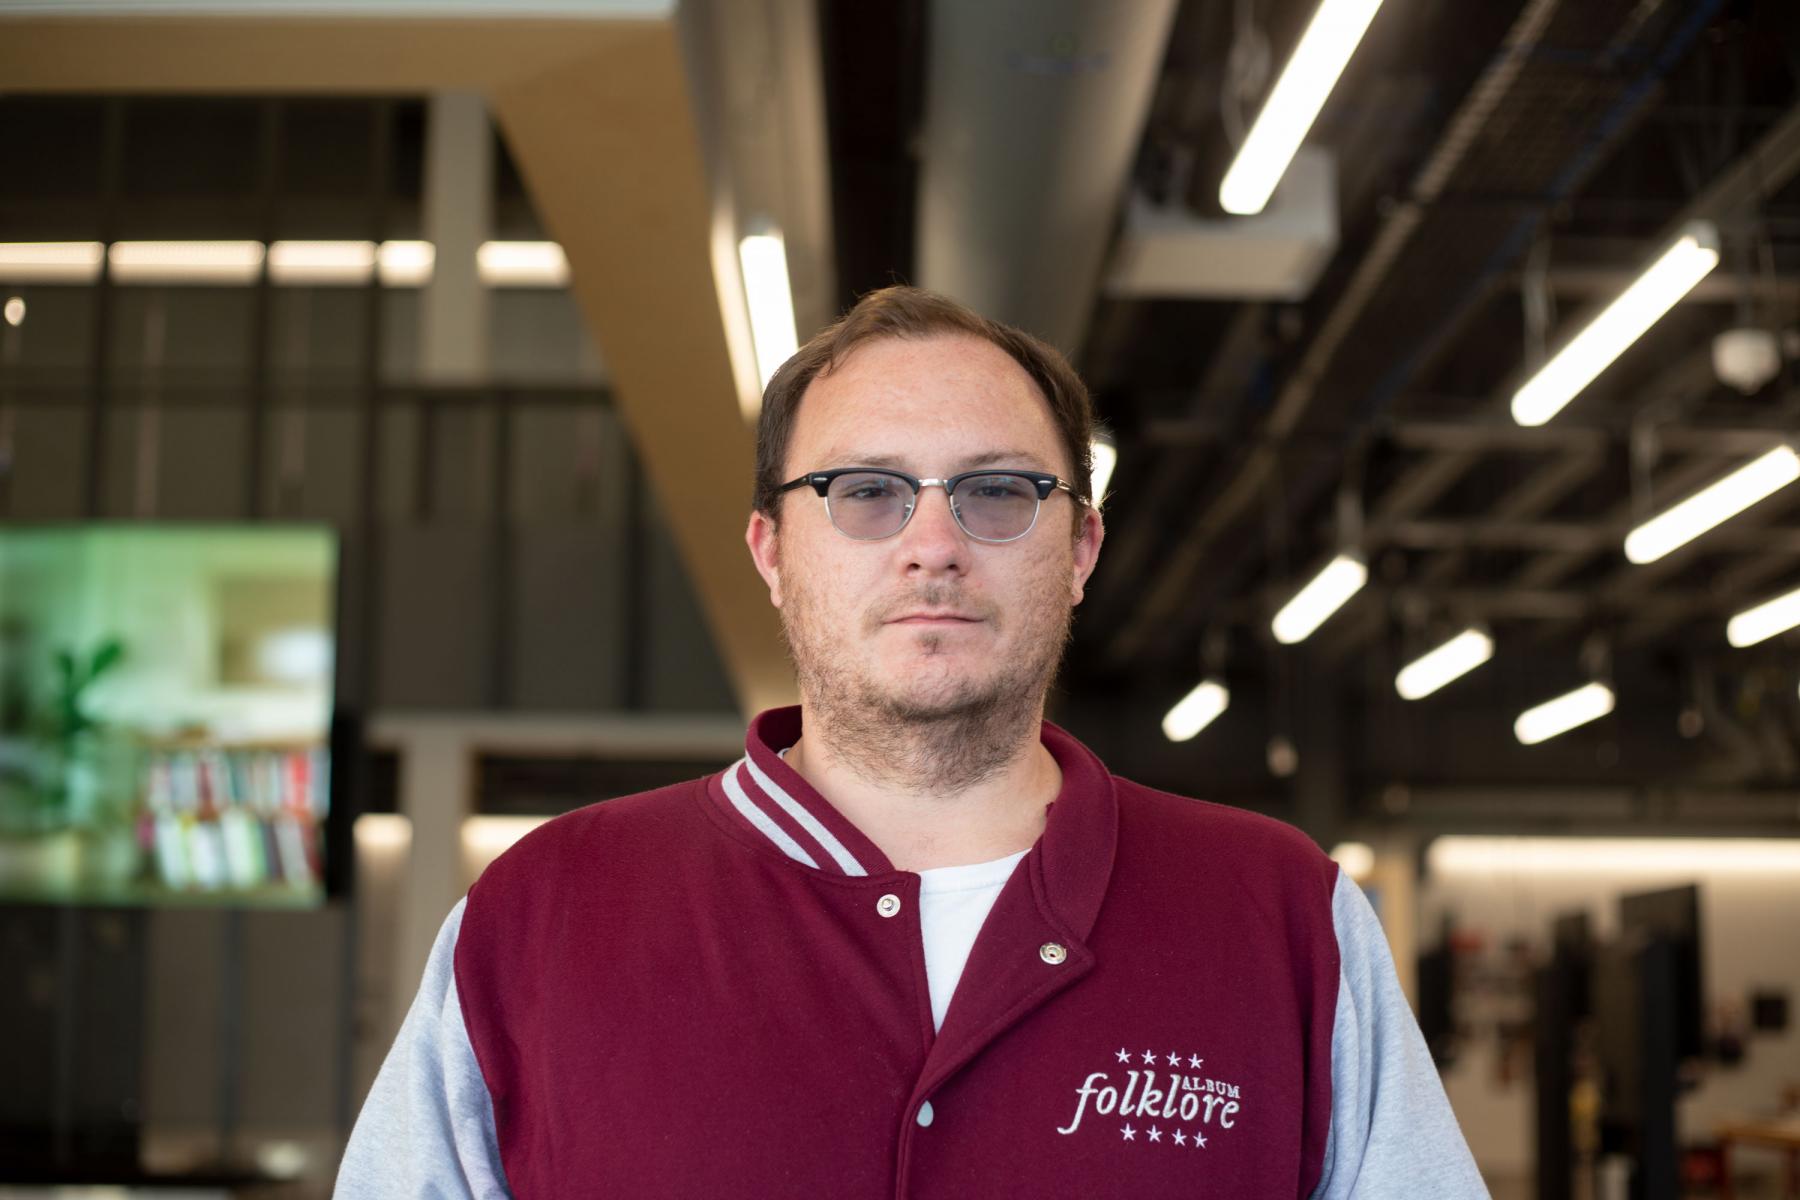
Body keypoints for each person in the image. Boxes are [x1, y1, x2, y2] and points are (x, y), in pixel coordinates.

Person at [335, 285, 1488, 1198]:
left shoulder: (1284, 918)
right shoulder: (542, 918)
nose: (933, 543)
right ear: (772, 550)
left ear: (1080, 551)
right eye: (866, 491)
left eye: (997, 492)